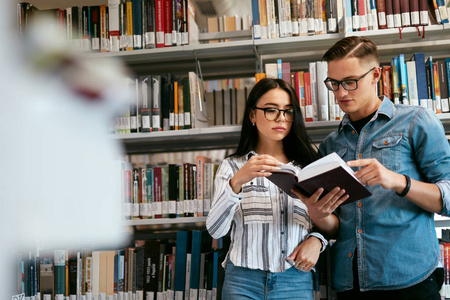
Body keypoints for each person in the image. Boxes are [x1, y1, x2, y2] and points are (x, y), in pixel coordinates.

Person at [295, 36, 450, 300]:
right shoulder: (331, 144)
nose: (341, 93)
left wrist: (398, 181)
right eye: (334, 84)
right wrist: (318, 215)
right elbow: (334, 227)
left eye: (350, 82)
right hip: (350, 283)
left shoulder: (415, 121)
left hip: (409, 280)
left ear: (376, 74)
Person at [206, 78, 347, 299]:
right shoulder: (231, 166)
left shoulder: (310, 166)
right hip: (242, 281)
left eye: (288, 111)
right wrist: (237, 182)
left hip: (295, 279)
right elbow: (216, 230)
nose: (281, 118)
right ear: (252, 115)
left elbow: (329, 220)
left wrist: (317, 240)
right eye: (271, 110)